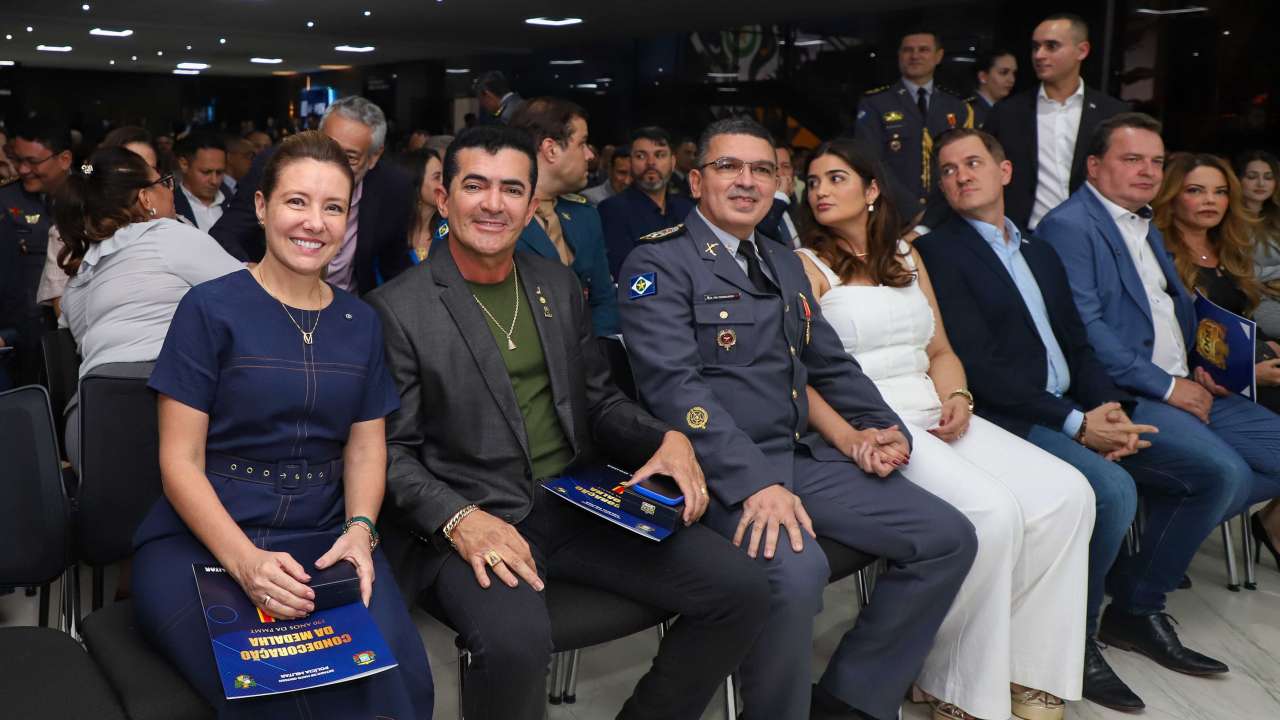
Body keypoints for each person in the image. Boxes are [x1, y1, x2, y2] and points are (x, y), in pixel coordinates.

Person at [366, 125, 769, 720]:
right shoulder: (396, 309)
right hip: (475, 513)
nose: (493, 203)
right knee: (515, 646)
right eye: (475, 186)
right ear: (444, 199)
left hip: (575, 499)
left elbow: (599, 402)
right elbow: (390, 452)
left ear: (532, 204)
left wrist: (667, 436)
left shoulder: (555, 283)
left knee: (743, 589)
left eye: (511, 189)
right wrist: (457, 519)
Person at [619, 116, 977, 720]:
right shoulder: (659, 263)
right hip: (721, 472)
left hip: (800, 455)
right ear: (697, 181)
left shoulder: (782, 261)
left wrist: (879, 427)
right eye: (729, 166)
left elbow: (828, 363)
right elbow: (675, 391)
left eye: (762, 169)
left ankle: (849, 699)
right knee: (796, 573)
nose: (747, 181)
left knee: (947, 538)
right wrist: (755, 483)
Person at [130, 131, 434, 718]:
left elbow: (366, 450)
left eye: (333, 207)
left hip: (325, 538)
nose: (314, 222)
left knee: (400, 689)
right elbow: (179, 461)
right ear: (263, 207)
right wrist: (246, 562)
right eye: (297, 201)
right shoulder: (208, 308)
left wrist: (362, 529)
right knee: (279, 695)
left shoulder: (362, 321)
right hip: (205, 538)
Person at [797, 136, 1095, 720]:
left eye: (836, 178)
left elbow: (940, 350)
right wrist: (853, 435)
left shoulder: (906, 254)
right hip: (873, 419)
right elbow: (798, 372)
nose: (820, 191)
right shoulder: (806, 265)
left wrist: (957, 395)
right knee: (993, 513)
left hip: (934, 407)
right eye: (812, 182)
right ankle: (951, 680)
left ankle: (1028, 669)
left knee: (1069, 495)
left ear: (872, 189)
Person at [917, 127, 1163, 712]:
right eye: (948, 170)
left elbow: (1078, 343)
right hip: (1006, 413)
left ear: (1004, 172)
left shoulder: (1037, 249)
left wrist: (1109, 409)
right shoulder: (940, 253)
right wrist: (1078, 423)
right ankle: (1075, 643)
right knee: (1112, 491)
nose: (960, 176)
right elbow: (978, 365)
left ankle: (1125, 612)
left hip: (1073, 402)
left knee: (1197, 470)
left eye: (973, 163)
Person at [1038, 112, 1280, 682]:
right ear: (1094, 166)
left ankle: (1151, 541)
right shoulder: (1071, 226)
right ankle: (1136, 607)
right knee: (1222, 475)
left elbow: (1169, 310)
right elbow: (1089, 331)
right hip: (1130, 390)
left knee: (1260, 461)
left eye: (1155, 161)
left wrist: (1205, 364)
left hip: (1189, 380)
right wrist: (1170, 386)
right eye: (1132, 159)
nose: (1148, 171)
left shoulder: (1141, 222)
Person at [52, 146, 242, 465]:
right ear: (145, 198)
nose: (171, 190)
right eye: (164, 182)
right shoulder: (166, 236)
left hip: (86, 422)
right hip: (156, 409)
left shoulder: (80, 277)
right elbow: (251, 296)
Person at [1153, 151, 1280, 566]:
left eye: (1220, 191)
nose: (1210, 200)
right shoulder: (1157, 252)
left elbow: (1237, 320)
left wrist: (1267, 348)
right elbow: (1171, 341)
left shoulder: (1229, 247)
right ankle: (1171, 525)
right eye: (1196, 190)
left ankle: (1178, 522)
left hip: (1244, 374)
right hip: (1197, 383)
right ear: (1173, 197)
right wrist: (1249, 373)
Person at [211, 95, 413, 295]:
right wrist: (253, 276)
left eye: (349, 157)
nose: (334, 165)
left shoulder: (393, 187)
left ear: (374, 156)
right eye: (327, 147)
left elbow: (395, 267)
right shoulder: (276, 165)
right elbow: (225, 234)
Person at [985, 13, 1127, 230]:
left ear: (1082, 51)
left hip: (1092, 232)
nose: (1039, 55)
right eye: (1035, 47)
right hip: (1024, 235)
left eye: (1051, 46)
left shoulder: (1112, 113)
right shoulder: (1007, 113)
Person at [506, 97, 620, 335]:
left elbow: (604, 301)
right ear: (551, 150)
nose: (589, 155)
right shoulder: (495, 215)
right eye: (583, 143)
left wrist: (591, 352)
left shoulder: (585, 215)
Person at [38, 126, 165, 316]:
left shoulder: (173, 224)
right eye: (130, 169)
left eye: (149, 169)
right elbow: (64, 314)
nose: (141, 179)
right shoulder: (72, 231)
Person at [853, 30, 973, 226]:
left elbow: (964, 162)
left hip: (947, 215)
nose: (915, 56)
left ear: (938, 56)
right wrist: (912, 210)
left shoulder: (956, 106)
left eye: (923, 50)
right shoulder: (876, 103)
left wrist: (938, 212)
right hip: (893, 217)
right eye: (908, 50)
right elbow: (870, 161)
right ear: (899, 56)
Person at [0, 118, 73, 384]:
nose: (22, 169)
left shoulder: (90, 192)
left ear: (64, 159)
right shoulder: (5, 200)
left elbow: (93, 166)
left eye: (32, 162)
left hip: (76, 336)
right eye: (18, 160)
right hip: (20, 339)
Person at [599, 127, 695, 278]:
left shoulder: (687, 209)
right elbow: (625, 271)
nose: (651, 163)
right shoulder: (612, 210)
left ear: (672, 162)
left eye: (659, 155)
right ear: (631, 162)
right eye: (641, 156)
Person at [1236, 150, 1280, 337]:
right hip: (1256, 300)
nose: (1261, 184)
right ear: (1238, 180)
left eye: (1268, 177)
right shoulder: (1229, 221)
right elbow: (1236, 271)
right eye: (1252, 177)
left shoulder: (1276, 217)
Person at [393, 147, 445, 267]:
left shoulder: (448, 229)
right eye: (437, 177)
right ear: (416, 184)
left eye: (444, 176)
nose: (444, 183)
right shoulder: (392, 233)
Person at [173, 131, 232, 231]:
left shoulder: (234, 203)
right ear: (184, 164)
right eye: (206, 172)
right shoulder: (171, 208)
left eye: (219, 172)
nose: (214, 181)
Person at [969, 50, 1018, 127]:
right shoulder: (968, 111)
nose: (1012, 79)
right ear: (983, 77)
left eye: (1014, 73)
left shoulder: (1011, 110)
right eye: (1003, 72)